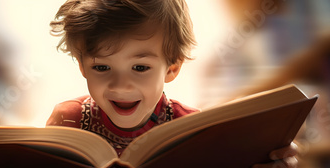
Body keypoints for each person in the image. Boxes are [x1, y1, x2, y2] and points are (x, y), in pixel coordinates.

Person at [46, 0, 297, 167]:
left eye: (140, 68)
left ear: (172, 67)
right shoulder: (67, 119)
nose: (121, 85)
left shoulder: (193, 128)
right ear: (82, 67)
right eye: (101, 67)